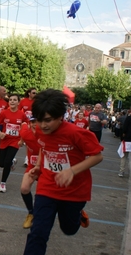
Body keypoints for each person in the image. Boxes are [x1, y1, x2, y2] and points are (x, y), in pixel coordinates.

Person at [23, 89, 104, 255]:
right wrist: (38, 166)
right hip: (47, 187)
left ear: (61, 116)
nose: (43, 125)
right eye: (39, 120)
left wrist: (72, 171)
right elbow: (43, 148)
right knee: (38, 233)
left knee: (69, 229)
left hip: (74, 191)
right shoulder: (40, 130)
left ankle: (78, 214)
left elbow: (97, 156)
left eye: (48, 120)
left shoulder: (76, 133)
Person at [0, 94, 28, 193]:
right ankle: (12, 162)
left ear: (18, 102)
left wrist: (22, 139)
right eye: (10, 100)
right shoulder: (4, 113)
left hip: (15, 141)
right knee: (1, 163)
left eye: (14, 100)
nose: (12, 101)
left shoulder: (22, 115)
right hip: (5, 140)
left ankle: (3, 183)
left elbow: (26, 126)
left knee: (7, 161)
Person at [18, 117, 39, 229]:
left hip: (46, 168)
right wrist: (22, 140)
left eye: (38, 121)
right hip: (32, 165)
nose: (35, 124)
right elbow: (23, 126)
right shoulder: (26, 132)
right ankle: (31, 213)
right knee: (24, 189)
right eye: (33, 122)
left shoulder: (47, 134)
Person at [118, 112, 131, 177]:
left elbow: (124, 128)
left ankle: (121, 171)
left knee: (124, 156)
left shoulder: (128, 118)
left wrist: (122, 136)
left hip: (127, 140)